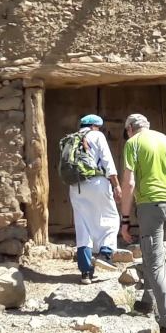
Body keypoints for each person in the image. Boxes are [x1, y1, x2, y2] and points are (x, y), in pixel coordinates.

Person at [118, 113, 166, 333]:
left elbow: (129, 183)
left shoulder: (133, 143)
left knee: (155, 263)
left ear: (130, 129)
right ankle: (148, 300)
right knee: (153, 253)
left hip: (152, 206)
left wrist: (125, 219)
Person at [69, 114, 120, 284]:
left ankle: (85, 272)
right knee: (111, 218)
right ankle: (105, 253)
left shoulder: (72, 138)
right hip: (97, 183)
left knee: (82, 225)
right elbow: (108, 162)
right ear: (95, 126)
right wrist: (116, 185)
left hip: (76, 186)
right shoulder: (97, 136)